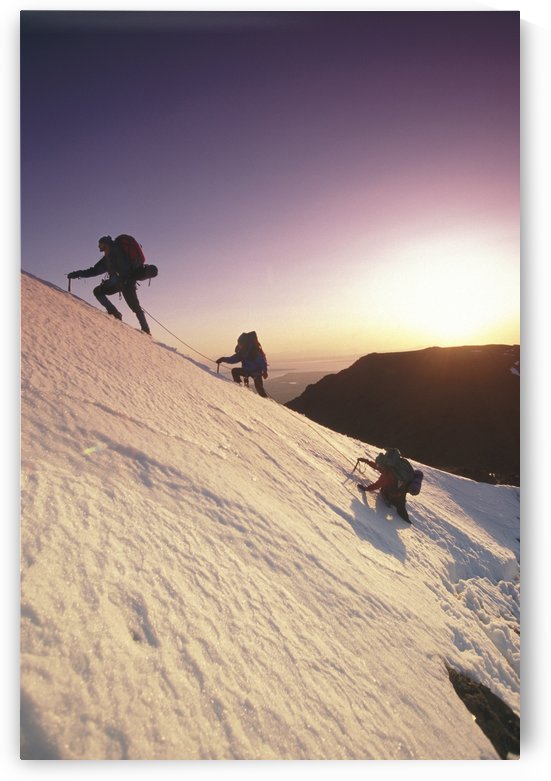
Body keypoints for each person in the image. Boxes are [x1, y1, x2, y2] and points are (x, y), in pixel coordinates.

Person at [67, 235, 151, 334]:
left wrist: (77, 274)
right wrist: (77, 274)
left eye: (100, 245)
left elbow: (95, 271)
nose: (99, 248)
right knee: (135, 307)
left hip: (123, 283)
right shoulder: (110, 255)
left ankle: (116, 314)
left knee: (99, 292)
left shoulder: (113, 254)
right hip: (125, 283)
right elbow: (94, 270)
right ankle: (144, 329)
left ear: (105, 244)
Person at [356, 453, 411, 523]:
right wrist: (367, 461)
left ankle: (390, 500)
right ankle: (396, 503)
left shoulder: (387, 474)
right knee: (400, 505)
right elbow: (376, 466)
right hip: (402, 491)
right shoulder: (391, 468)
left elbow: (377, 485)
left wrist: (366, 488)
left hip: (396, 493)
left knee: (386, 492)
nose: (378, 465)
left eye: (379, 464)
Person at [216, 332, 269, 397]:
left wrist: (264, 371)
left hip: (252, 372)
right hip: (254, 372)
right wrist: (223, 359)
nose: (239, 345)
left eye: (240, 344)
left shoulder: (251, 351)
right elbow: (233, 359)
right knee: (259, 389)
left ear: (243, 343)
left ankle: (240, 387)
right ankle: (241, 389)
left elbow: (261, 361)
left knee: (235, 371)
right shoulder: (246, 351)